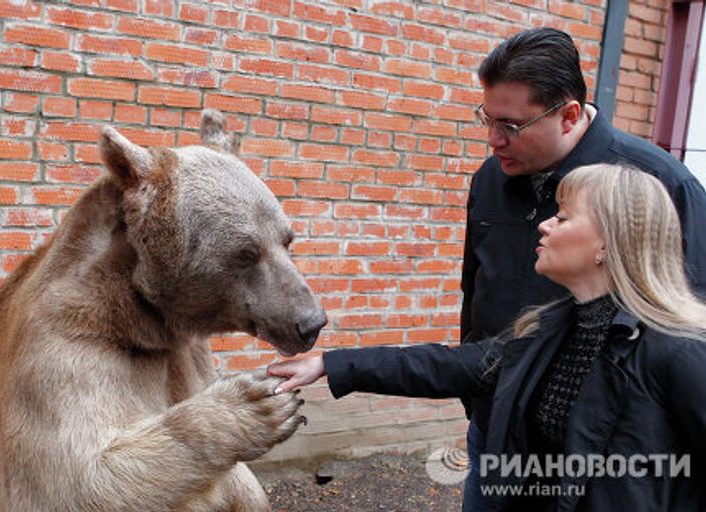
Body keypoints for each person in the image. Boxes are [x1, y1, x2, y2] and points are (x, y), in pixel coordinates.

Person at [268, 164, 706, 511]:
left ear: (607, 244)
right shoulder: (551, 331)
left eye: (564, 216)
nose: (545, 225)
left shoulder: (676, 350)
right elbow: (452, 367)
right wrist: (330, 364)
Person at [460, 27, 706, 510]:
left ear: (568, 114)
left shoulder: (661, 184)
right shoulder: (490, 179)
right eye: (486, 119)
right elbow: (475, 290)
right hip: (497, 430)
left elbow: (687, 323)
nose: (493, 139)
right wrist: (480, 403)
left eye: (509, 125)